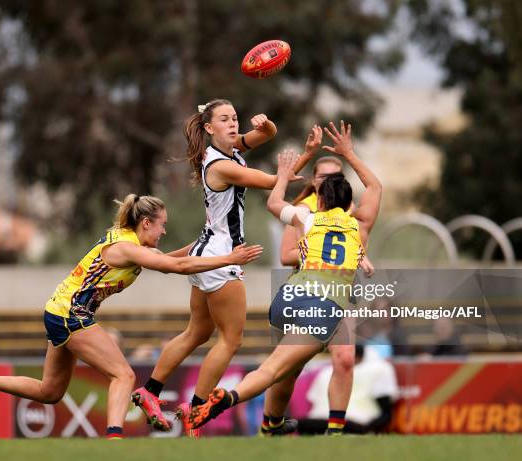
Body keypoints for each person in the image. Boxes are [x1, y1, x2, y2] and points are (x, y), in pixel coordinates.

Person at [0, 194, 262, 440]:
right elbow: (174, 267)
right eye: (162, 224)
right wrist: (229, 258)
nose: (165, 230)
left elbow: (168, 259)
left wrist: (204, 244)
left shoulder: (129, 240)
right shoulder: (127, 247)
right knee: (123, 376)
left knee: (50, 392)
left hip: (59, 310)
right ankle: (113, 441)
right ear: (146, 224)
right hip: (72, 314)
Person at [132, 99, 322, 436]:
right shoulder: (222, 165)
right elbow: (273, 182)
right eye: (225, 119)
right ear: (209, 128)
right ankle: (197, 406)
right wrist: (304, 156)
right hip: (221, 257)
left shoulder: (225, 151)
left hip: (206, 251)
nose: (233, 124)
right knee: (231, 340)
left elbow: (264, 137)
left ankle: (151, 391)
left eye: (235, 118)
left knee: (198, 332)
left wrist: (266, 127)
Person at [187, 120, 382, 434]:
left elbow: (273, 203)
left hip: (290, 297)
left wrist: (282, 175)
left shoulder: (307, 215)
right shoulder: (358, 222)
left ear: (322, 196)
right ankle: (228, 399)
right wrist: (350, 152)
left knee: (310, 363)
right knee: (277, 370)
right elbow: (375, 188)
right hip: (323, 303)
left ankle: (291, 427)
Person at [260, 155, 374, 437]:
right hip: (308, 292)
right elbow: (285, 255)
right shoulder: (304, 211)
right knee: (288, 370)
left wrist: (359, 258)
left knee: (345, 359)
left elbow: (356, 241)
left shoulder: (349, 210)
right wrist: (315, 253)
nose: (330, 181)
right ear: (314, 181)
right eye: (324, 176)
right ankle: (270, 425)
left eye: (336, 176)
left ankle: (334, 433)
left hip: (341, 294)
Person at [298, 345, 398, 435]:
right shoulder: (325, 372)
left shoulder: (379, 368)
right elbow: (386, 411)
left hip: (347, 423)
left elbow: (312, 401)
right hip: (345, 423)